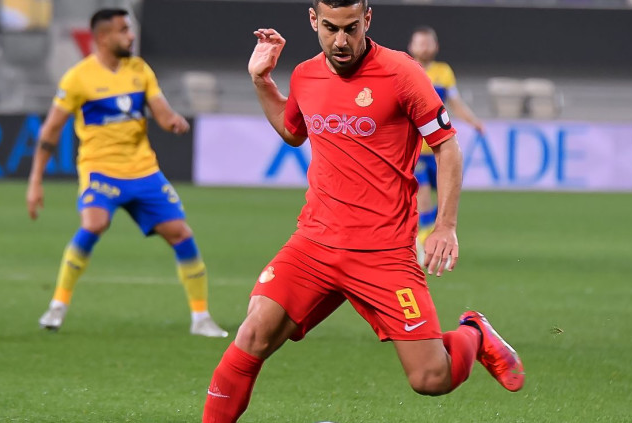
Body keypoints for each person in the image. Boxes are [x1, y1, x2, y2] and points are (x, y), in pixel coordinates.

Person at [202, 1, 523, 421]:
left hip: (383, 252)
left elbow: (446, 146)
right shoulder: (305, 74)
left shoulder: (402, 73)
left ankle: (473, 333)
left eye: (351, 28)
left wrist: (445, 225)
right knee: (253, 334)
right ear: (313, 20)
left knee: (430, 379)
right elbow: (293, 131)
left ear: (367, 20)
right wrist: (262, 81)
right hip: (314, 243)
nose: (341, 40)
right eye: (330, 28)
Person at [26, 8, 227, 337]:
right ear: (103, 37)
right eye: (123, 30)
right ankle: (57, 305)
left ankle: (201, 317)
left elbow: (162, 112)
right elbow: (50, 131)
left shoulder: (139, 69)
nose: (131, 36)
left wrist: (173, 121)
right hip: (101, 171)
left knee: (181, 234)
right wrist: (35, 181)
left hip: (143, 171)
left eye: (129, 29)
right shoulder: (78, 78)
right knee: (94, 223)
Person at [407, 26, 485, 261]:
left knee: (445, 197)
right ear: (411, 47)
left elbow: (455, 103)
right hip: (414, 149)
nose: (424, 48)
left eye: (428, 43)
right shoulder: (405, 69)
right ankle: (424, 239)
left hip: (439, 148)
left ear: (436, 46)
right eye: (420, 43)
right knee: (422, 193)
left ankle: (426, 234)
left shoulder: (444, 72)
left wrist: (474, 122)